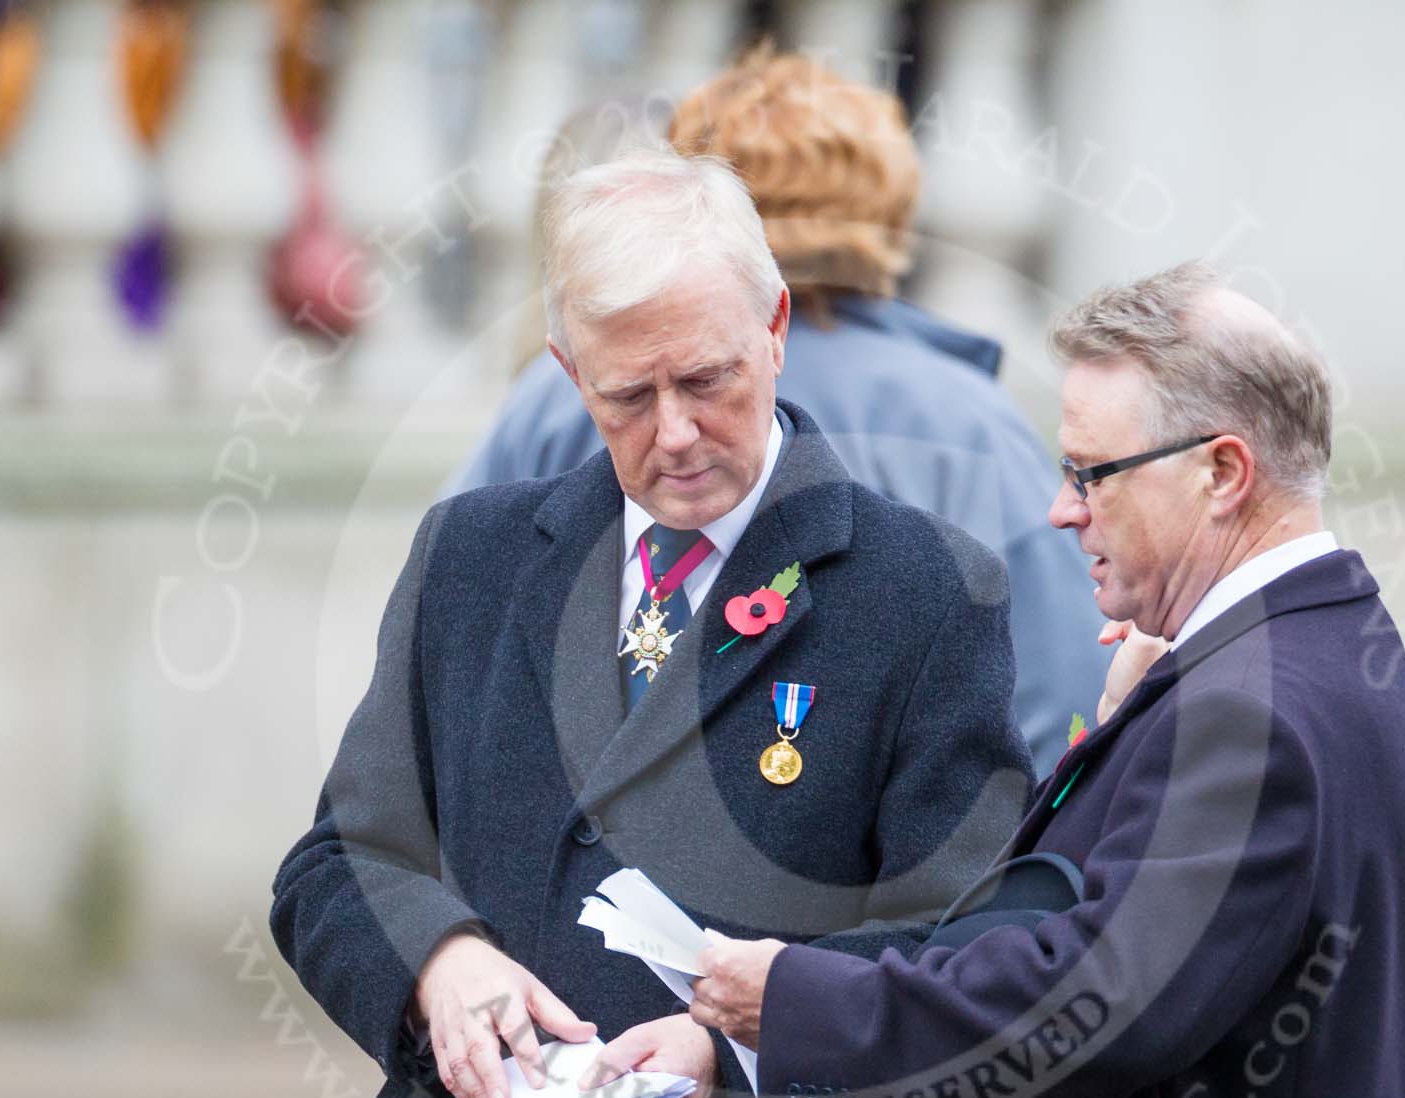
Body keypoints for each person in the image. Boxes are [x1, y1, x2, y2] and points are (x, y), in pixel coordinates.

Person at [269, 150, 1031, 1098]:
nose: (673, 434)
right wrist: (440, 964)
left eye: (705, 380)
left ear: (775, 329)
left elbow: (967, 953)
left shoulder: (924, 592)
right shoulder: (469, 556)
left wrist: (740, 1051)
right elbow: (337, 862)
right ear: (569, 376)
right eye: (627, 396)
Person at [691, 262, 1405, 1098]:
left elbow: (1082, 1010)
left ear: (1220, 474)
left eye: (1091, 473)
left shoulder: (1257, 716)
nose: (1060, 509)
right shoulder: (1318, 664)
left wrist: (794, 1002)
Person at [450, 47, 1107, 776]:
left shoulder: (558, 391)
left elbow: (453, 642)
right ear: (886, 205)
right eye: (635, 398)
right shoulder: (969, 418)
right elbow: (1063, 697)